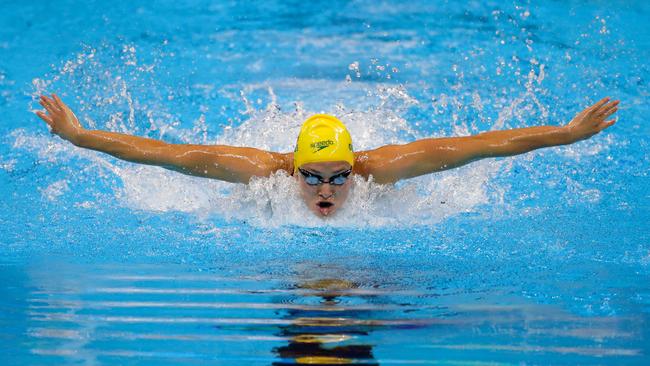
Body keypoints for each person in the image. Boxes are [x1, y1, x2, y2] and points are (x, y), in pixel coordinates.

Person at [36, 94, 619, 217]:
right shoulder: (261, 172)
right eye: (312, 176)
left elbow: (481, 148)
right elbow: (168, 156)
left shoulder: (382, 168)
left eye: (338, 178)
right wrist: (79, 135)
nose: (325, 190)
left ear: (354, 166)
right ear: (292, 166)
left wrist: (566, 134)